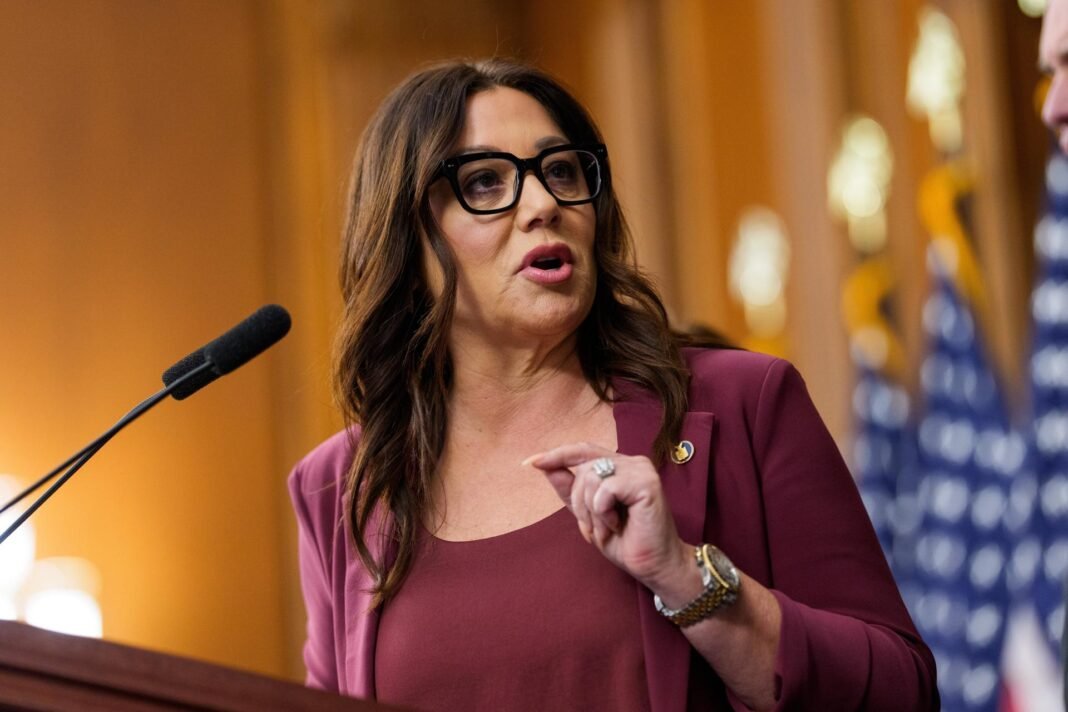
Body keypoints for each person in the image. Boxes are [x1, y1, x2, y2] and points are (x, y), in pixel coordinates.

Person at [289, 58, 937, 712]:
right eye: (484, 182)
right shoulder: (341, 488)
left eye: (561, 171)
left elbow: (899, 692)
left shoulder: (744, 402)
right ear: (405, 237)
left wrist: (688, 579)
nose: (544, 205)